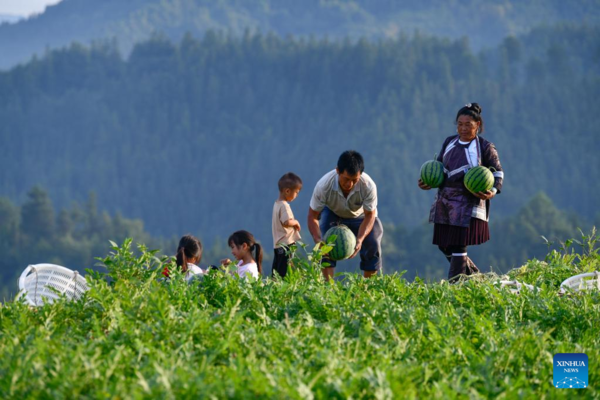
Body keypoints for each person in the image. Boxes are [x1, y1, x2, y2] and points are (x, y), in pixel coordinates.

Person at [418, 103, 504, 281]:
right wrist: (428, 181)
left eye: (468, 125)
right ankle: (477, 277)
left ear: (477, 125)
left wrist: (494, 190)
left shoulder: (485, 147)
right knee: (444, 244)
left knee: (458, 246)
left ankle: (455, 285)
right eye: (460, 124)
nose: (463, 128)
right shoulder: (449, 142)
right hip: (445, 201)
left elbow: (497, 172)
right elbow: (440, 168)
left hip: (469, 202)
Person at [307, 150, 383, 280]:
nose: (350, 184)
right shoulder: (324, 185)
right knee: (325, 244)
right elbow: (312, 216)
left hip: (361, 216)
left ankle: (369, 288)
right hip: (333, 212)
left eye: (354, 180)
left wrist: (360, 238)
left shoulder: (368, 186)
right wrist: (318, 241)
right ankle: (328, 289)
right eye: (346, 179)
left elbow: (370, 215)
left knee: (373, 243)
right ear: (338, 171)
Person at [272, 172, 302, 278]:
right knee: (285, 272)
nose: (297, 195)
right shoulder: (284, 206)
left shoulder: (277, 204)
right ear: (287, 191)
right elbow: (286, 221)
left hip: (278, 244)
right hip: (286, 244)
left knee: (277, 270)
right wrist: (296, 222)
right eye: (296, 192)